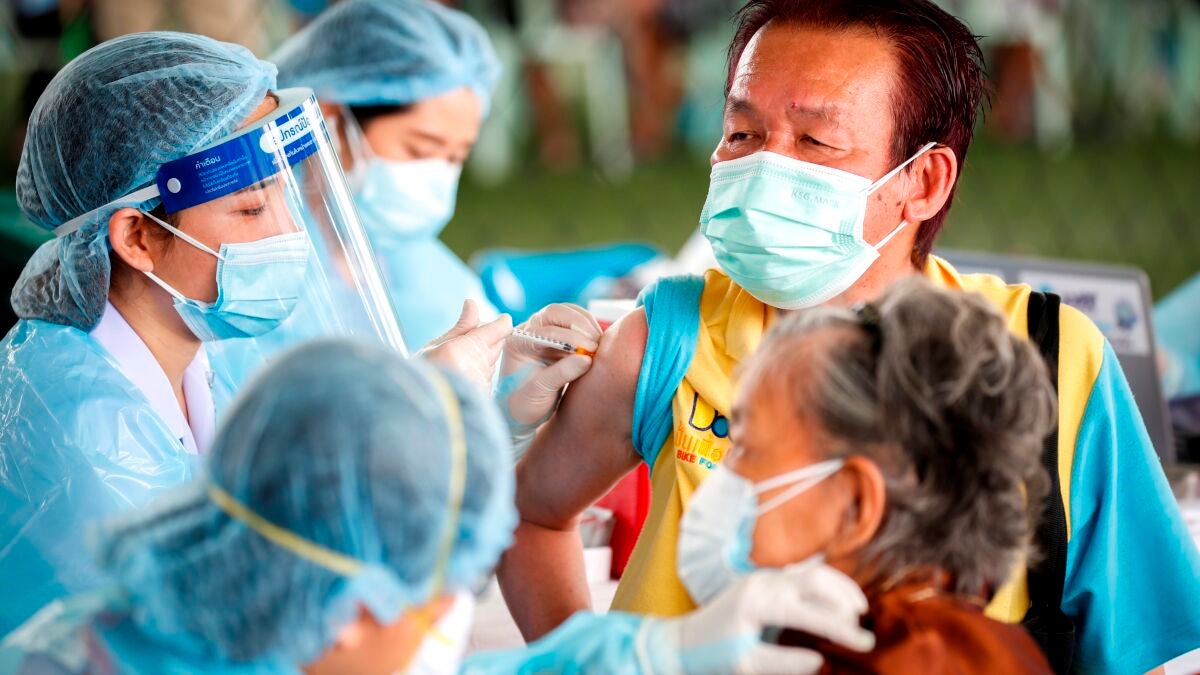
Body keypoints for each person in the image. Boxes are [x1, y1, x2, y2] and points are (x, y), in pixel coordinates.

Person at [498, 1, 1200, 672]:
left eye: (816, 141)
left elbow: (1131, 650)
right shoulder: (670, 336)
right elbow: (530, 515)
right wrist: (594, 660)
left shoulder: (1049, 360)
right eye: (741, 132)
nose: (764, 166)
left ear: (923, 180)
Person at [0, 30, 512, 634]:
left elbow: (276, 499)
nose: (288, 233)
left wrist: (422, 401)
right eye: (250, 208)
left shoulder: (191, 350)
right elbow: (221, 622)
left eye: (285, 197)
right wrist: (422, 422)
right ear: (137, 238)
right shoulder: (82, 428)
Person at [0, 340, 875, 674]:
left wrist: (653, 651)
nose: (453, 630)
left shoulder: (159, 619)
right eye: (446, 597)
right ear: (352, 612)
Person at [690, 278, 1055, 673]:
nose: (724, 472)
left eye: (746, 447)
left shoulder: (858, 662)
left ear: (856, 504)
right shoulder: (985, 648)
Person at [271, 0, 502, 348]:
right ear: (331, 118)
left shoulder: (430, 276)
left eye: (456, 157)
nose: (438, 176)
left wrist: (516, 370)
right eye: (420, 150)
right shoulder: (259, 269)